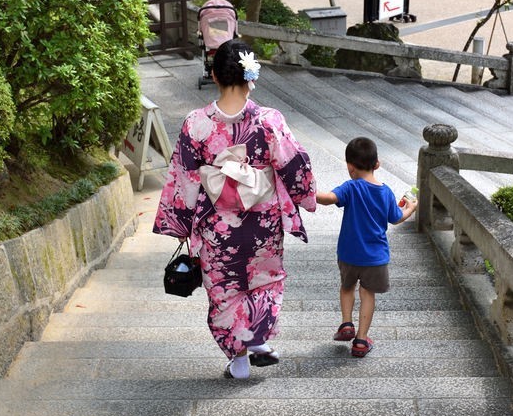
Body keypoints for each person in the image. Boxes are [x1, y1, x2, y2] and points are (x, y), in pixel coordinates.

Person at [153, 38, 316, 380]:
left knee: (225, 290)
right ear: (250, 77)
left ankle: (239, 361)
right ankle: (257, 339)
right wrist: (305, 194)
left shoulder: (196, 123)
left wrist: (180, 223)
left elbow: (184, 179)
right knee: (264, 280)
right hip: (262, 222)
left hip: (217, 228)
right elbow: (294, 165)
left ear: (213, 76)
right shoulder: (269, 120)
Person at [316, 136, 418, 358]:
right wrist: (410, 208)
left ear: (350, 167)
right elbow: (396, 218)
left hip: (348, 254)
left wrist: (307, 194)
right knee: (367, 293)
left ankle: (346, 323)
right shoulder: (386, 192)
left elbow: (329, 198)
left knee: (347, 287)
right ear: (377, 164)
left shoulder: (351, 188)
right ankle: (361, 340)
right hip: (375, 257)